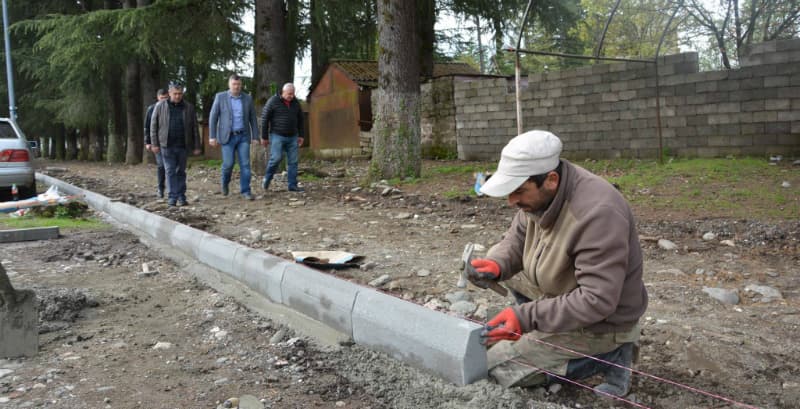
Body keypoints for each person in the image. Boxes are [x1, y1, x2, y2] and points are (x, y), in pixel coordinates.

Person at [469, 130, 648, 397]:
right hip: (567, 294)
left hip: (601, 320)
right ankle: (543, 330)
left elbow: (597, 300)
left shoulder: (598, 214)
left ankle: (611, 352)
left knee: (494, 369)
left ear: (551, 180)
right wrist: (497, 264)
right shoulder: (542, 193)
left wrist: (525, 318)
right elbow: (517, 239)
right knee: (497, 259)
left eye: (518, 191)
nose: (511, 201)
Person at [208, 74, 260, 200]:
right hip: (227, 137)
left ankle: (246, 191)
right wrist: (212, 136)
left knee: (245, 165)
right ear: (229, 85)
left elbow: (253, 118)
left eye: (238, 84)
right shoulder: (220, 97)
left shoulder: (247, 99)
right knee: (228, 164)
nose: (236, 87)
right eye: (234, 84)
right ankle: (225, 183)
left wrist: (255, 136)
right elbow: (213, 117)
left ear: (241, 85)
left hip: (243, 136)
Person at [149, 81, 201, 207]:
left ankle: (181, 196)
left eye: (180, 93)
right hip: (166, 144)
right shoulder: (160, 106)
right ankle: (172, 197)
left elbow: (194, 127)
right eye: (175, 93)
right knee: (170, 170)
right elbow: (153, 126)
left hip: (183, 145)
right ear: (170, 93)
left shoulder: (188, 107)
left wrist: (197, 146)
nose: (177, 96)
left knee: (181, 171)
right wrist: (154, 143)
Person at [260, 83, 305, 192]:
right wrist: (264, 137)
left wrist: (301, 135)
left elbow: (301, 120)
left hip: (293, 136)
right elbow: (265, 119)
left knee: (293, 161)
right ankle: (267, 178)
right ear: (283, 92)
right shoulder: (273, 101)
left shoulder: (296, 103)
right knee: (276, 158)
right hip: (277, 135)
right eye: (289, 94)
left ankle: (292, 185)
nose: (291, 96)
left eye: (293, 94)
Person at [144, 88, 169, 199]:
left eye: (166, 98)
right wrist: (148, 142)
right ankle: (160, 188)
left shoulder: (171, 107)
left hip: (169, 142)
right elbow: (148, 126)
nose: (164, 100)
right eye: (162, 98)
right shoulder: (152, 109)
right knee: (161, 165)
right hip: (157, 142)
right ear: (158, 97)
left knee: (170, 166)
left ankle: (171, 189)